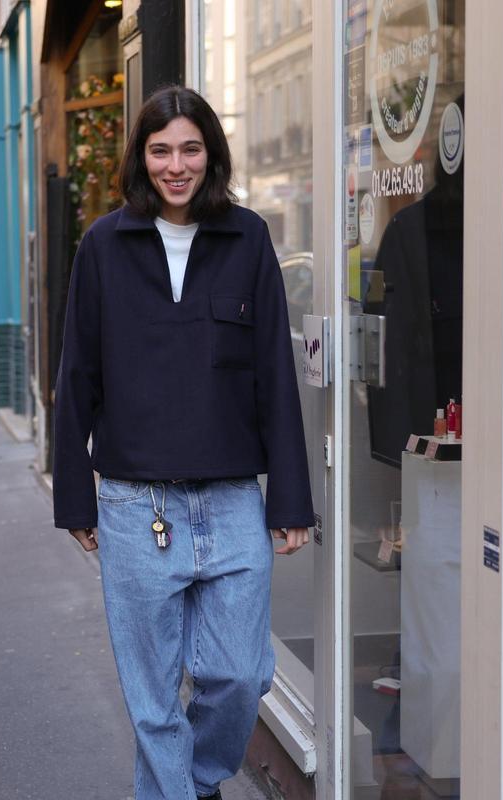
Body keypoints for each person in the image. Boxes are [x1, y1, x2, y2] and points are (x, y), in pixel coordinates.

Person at [52, 85, 313, 800]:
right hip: (137, 506)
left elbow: (274, 374)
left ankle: (191, 785)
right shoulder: (104, 245)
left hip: (231, 499)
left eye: (190, 148)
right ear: (141, 157)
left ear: (211, 154)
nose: (176, 165)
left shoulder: (248, 236)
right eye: (161, 150)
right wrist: (74, 493)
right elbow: (77, 375)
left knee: (241, 674)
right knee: (153, 699)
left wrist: (290, 497)